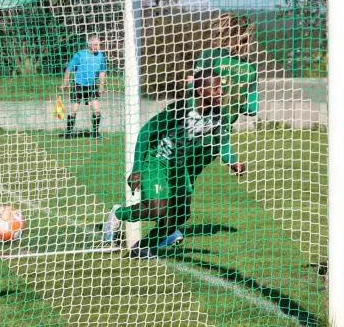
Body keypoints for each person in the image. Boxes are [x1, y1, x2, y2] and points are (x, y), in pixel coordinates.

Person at [103, 70, 246, 260]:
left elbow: (221, 142)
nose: (221, 92)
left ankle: (143, 248)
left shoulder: (218, 115)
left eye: (221, 88)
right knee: (157, 210)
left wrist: (233, 161)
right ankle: (118, 214)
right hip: (157, 161)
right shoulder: (179, 110)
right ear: (201, 91)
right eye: (216, 88)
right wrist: (137, 168)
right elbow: (146, 132)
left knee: (180, 214)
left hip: (179, 167)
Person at [158, 13, 259, 248]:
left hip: (214, 137)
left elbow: (251, 108)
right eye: (241, 40)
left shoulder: (216, 58)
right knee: (178, 179)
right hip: (195, 130)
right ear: (229, 38)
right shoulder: (243, 67)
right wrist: (235, 97)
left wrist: (230, 96)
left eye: (246, 41)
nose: (244, 45)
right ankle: (164, 227)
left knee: (185, 181)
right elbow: (250, 108)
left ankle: (167, 228)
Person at [61, 35, 107, 139]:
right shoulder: (80, 55)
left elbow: (103, 71)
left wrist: (102, 85)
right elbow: (69, 69)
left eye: (98, 44)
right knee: (74, 110)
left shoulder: (100, 56)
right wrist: (64, 84)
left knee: (97, 110)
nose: (97, 47)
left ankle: (95, 133)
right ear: (89, 45)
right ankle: (69, 132)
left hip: (92, 86)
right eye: (95, 44)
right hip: (79, 86)